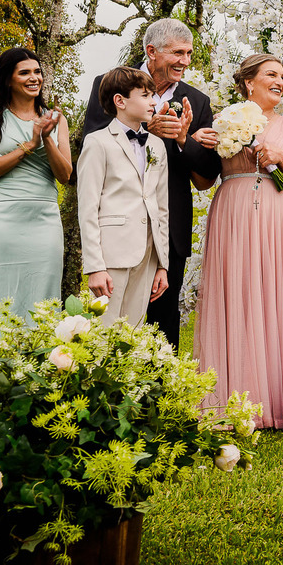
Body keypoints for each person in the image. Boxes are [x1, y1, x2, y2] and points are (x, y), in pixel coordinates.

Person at [193, 54, 283, 429]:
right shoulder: (223, 120)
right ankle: (226, 400)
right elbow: (202, 181)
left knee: (271, 293)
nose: (281, 81)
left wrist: (281, 156)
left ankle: (273, 401)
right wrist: (195, 143)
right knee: (233, 293)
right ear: (249, 82)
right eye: (272, 74)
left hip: (276, 211)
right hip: (232, 210)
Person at [82, 19, 221, 346]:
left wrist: (186, 140)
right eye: (177, 53)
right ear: (151, 52)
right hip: (115, 226)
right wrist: (146, 130)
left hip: (167, 228)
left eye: (188, 53)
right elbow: (92, 142)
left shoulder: (196, 102)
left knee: (162, 328)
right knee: (108, 323)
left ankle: (159, 395)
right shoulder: (109, 84)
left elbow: (206, 176)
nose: (185, 61)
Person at [0, 48, 72, 319]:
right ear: (8, 79)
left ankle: (39, 359)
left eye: (37, 72)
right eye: (25, 72)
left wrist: (47, 138)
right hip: (3, 220)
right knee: (1, 293)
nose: (34, 78)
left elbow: (65, 175)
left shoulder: (55, 118)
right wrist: (29, 145)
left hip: (44, 220)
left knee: (43, 297)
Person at [77, 68, 170, 326]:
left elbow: (162, 208)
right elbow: (87, 208)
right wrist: (95, 266)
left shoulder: (157, 145)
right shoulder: (97, 143)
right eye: (146, 95)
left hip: (147, 255)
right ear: (120, 101)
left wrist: (162, 264)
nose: (154, 102)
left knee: (132, 335)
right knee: (101, 332)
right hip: (111, 255)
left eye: (154, 95)